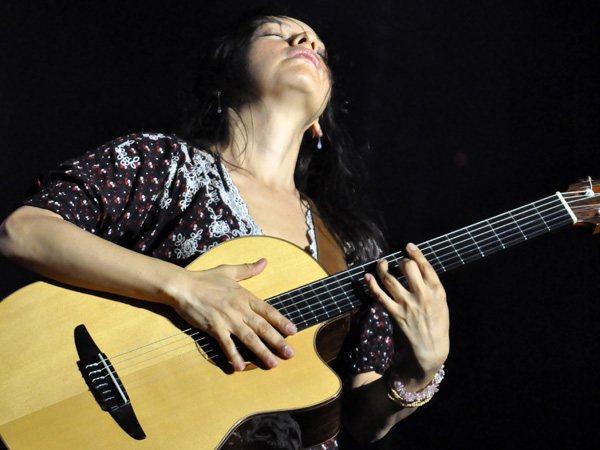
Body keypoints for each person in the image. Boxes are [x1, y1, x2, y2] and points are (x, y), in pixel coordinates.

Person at [0, 10, 449, 449]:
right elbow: (25, 230)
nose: (306, 44)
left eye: (318, 47)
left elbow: (361, 418)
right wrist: (183, 287)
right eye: (277, 34)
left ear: (320, 119)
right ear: (225, 76)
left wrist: (416, 373)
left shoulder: (350, 247)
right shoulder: (164, 164)